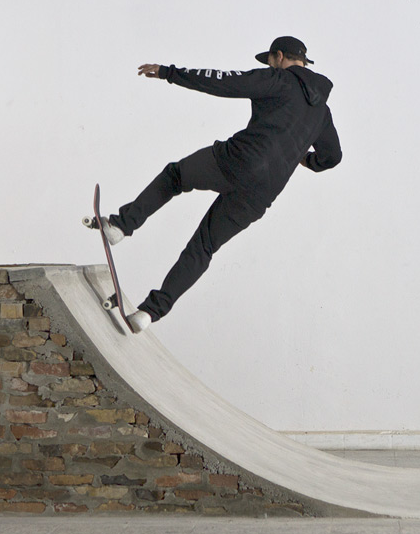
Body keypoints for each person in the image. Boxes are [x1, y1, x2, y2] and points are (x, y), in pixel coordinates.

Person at [94, 36, 342, 332]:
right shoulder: (322, 112)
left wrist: (167, 72)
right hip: (263, 193)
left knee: (175, 176)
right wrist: (306, 160)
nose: (270, 65)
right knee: (204, 247)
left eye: (270, 60)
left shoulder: (277, 79)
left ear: (278, 56)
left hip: (238, 159)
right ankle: (148, 313)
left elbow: (224, 82)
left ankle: (121, 225)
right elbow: (333, 156)